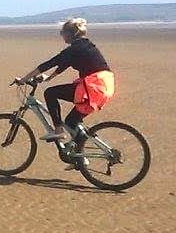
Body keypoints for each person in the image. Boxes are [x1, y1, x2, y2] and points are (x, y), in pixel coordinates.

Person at [16, 17, 115, 145]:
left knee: (50, 93)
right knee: (71, 122)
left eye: (62, 33)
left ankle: (58, 130)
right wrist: (49, 78)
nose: (62, 36)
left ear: (70, 34)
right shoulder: (84, 45)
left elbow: (49, 63)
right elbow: (63, 65)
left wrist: (24, 79)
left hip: (93, 88)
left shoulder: (74, 49)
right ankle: (80, 158)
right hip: (104, 86)